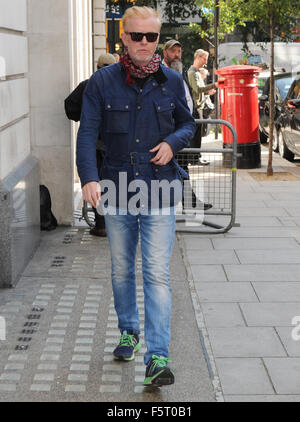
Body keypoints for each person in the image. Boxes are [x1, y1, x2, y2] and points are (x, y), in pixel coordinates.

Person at [76, 6, 195, 387]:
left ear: (158, 38)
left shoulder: (173, 81)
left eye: (152, 36)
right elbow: (86, 132)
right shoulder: (101, 82)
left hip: (159, 187)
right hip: (116, 187)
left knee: (157, 274)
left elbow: (188, 123)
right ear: (123, 37)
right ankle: (129, 330)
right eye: (137, 36)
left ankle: (157, 357)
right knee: (122, 269)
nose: (145, 44)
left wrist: (173, 144)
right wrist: (88, 179)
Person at [65, 53, 116, 236]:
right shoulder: (119, 86)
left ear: (97, 66)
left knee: (98, 185)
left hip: (95, 145)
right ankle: (111, 224)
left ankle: (102, 224)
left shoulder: (88, 84)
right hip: (112, 144)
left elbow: (70, 107)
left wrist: (85, 116)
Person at [162, 40, 212, 211]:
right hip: (167, 131)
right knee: (173, 168)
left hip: (180, 129)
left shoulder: (180, 72)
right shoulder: (161, 73)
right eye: (173, 51)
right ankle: (167, 204)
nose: (176, 54)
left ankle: (189, 201)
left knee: (182, 166)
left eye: (179, 51)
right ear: (165, 53)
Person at [188, 49, 221, 149]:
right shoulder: (192, 72)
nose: (206, 62)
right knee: (196, 135)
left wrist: (207, 92)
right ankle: (194, 158)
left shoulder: (196, 72)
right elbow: (197, 89)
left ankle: (196, 157)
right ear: (198, 57)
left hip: (199, 107)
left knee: (199, 134)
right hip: (196, 108)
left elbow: (198, 90)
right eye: (205, 59)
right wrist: (214, 85)